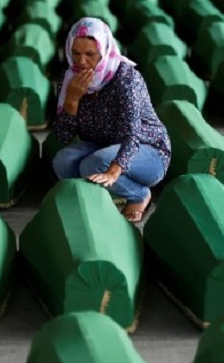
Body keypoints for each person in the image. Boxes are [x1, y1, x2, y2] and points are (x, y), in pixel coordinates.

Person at [51, 17, 171, 222]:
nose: (81, 62)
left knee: (93, 165)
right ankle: (96, 198)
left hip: (147, 151)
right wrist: (72, 100)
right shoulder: (71, 78)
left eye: (90, 54)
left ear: (104, 51)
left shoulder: (126, 78)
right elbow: (63, 136)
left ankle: (139, 195)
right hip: (102, 146)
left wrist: (114, 170)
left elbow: (131, 134)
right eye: (75, 53)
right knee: (63, 161)